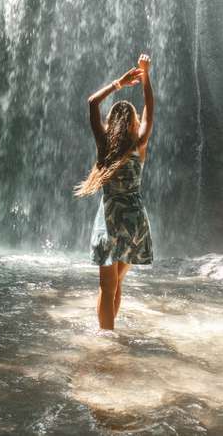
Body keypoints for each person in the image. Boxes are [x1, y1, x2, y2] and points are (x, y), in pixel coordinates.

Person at [74, 53, 154, 330]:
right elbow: (149, 112)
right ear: (133, 123)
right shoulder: (139, 144)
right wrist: (146, 76)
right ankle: (111, 333)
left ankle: (106, 338)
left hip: (108, 222)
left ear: (110, 122)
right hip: (134, 222)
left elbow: (92, 102)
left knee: (107, 288)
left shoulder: (104, 146)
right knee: (117, 284)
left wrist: (119, 84)